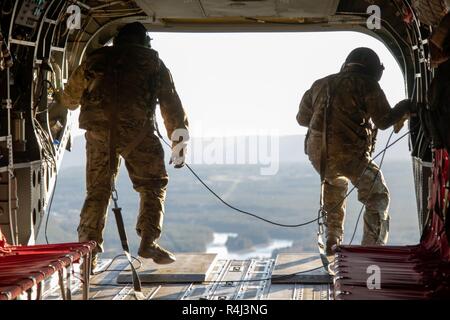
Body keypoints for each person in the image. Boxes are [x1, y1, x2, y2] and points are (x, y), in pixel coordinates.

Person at [56, 22, 189, 268]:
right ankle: (148, 241)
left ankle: (89, 254)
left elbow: (70, 100)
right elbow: (172, 107)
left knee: (97, 192)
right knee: (153, 185)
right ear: (144, 42)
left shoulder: (95, 60)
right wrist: (178, 145)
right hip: (137, 135)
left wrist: (57, 95)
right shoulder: (153, 64)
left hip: (98, 135)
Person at [297, 47, 414, 257]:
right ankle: (372, 249)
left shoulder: (320, 83)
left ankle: (332, 239)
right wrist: (404, 106)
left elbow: (302, 119)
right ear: (374, 71)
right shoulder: (367, 84)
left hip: (317, 155)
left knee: (333, 183)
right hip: (350, 153)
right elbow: (384, 120)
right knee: (377, 194)